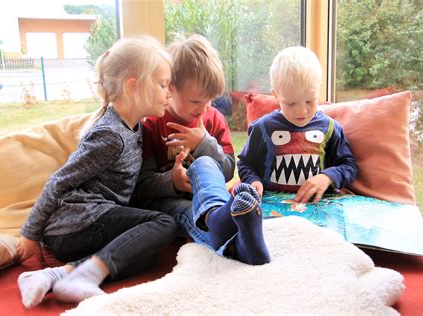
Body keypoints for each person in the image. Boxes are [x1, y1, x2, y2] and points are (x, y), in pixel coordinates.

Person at [14, 35, 178, 308]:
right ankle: (81, 274)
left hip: (94, 223)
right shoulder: (110, 135)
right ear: (133, 86)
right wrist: (30, 235)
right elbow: (59, 182)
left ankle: (60, 274)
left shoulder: (133, 127)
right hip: (75, 224)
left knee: (145, 252)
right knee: (164, 224)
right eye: (162, 85)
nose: (169, 92)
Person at [132, 34, 269, 265]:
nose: (205, 108)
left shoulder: (212, 120)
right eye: (196, 102)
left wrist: (203, 143)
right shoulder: (151, 124)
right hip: (168, 202)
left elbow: (227, 171)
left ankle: (230, 232)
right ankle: (239, 244)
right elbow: (141, 184)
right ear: (170, 89)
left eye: (210, 101)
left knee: (204, 164)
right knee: (187, 212)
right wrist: (172, 182)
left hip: (210, 197)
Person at [237, 46, 358, 204]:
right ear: (276, 95)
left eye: (309, 101)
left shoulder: (330, 128)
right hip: (271, 205)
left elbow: (349, 166)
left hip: (319, 206)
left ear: (318, 91)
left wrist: (327, 177)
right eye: (291, 103)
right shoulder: (262, 128)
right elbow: (246, 164)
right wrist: (253, 181)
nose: (302, 111)